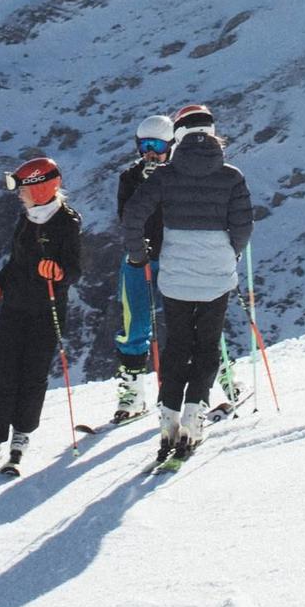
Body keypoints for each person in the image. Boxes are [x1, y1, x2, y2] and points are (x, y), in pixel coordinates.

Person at [121, 102, 253, 464]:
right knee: (207, 346)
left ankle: (168, 419)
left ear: (176, 137)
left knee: (177, 345)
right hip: (216, 275)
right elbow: (243, 227)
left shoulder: (164, 176)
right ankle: (195, 416)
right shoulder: (231, 176)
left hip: (175, 274)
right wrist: (232, 254)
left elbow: (133, 215)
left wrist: (138, 254)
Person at [0, 155, 83, 476]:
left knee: (32, 376)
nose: (18, 194)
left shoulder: (67, 222)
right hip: (15, 308)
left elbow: (75, 269)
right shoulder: (27, 218)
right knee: (2, 374)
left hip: (47, 310)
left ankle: (22, 435)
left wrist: (58, 272)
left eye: (22, 188)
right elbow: (15, 266)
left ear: (40, 188)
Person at [111, 115, 175, 421]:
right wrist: (146, 187)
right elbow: (126, 217)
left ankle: (191, 387)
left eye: (158, 146)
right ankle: (133, 394)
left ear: (171, 146)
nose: (151, 152)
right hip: (139, 258)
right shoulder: (130, 178)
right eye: (145, 146)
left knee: (188, 322)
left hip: (175, 256)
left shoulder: (179, 176)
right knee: (135, 324)